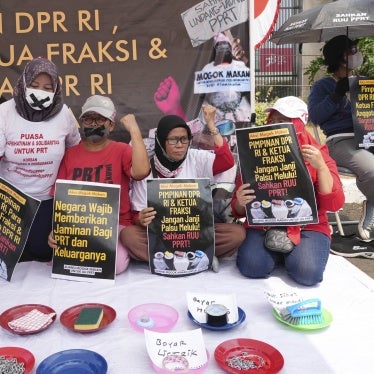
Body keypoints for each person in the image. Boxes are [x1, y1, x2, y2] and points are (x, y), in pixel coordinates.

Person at [231, 96, 345, 286]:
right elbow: (239, 210)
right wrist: (240, 202)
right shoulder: (256, 154)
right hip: (264, 225)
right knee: (252, 267)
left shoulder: (318, 154)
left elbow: (334, 204)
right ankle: (279, 252)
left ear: (298, 124)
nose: (275, 126)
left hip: (309, 227)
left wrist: (321, 168)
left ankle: (288, 253)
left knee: (307, 274)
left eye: (284, 121)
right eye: (273, 121)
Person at [121, 104, 246, 271]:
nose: (180, 145)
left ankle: (168, 258)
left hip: (196, 232)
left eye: (184, 139)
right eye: (173, 139)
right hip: (161, 234)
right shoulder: (146, 168)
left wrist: (211, 125)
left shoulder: (195, 158)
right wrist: (141, 219)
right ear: (160, 140)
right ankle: (200, 256)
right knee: (129, 236)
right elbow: (136, 215)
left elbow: (227, 162)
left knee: (236, 234)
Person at [47, 95, 150, 274]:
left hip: (115, 225)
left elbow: (141, 171)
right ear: (82, 122)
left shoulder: (122, 150)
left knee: (114, 266)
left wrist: (134, 130)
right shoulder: (70, 155)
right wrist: (57, 230)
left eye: (100, 119)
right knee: (64, 260)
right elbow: (60, 198)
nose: (93, 124)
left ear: (111, 124)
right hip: (79, 225)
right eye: (88, 118)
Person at [0, 57, 81, 262]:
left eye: (47, 87)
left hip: (46, 199)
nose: (40, 91)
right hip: (10, 198)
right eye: (35, 85)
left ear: (56, 89)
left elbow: (75, 151)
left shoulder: (63, 114)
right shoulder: (4, 113)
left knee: (45, 251)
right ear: (24, 83)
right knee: (7, 255)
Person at [308, 35, 374, 243]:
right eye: (351, 51)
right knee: (372, 169)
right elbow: (316, 116)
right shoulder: (323, 86)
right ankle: (372, 205)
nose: (356, 55)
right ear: (339, 57)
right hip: (340, 140)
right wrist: (336, 95)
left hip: (368, 135)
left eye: (356, 50)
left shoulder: (363, 81)